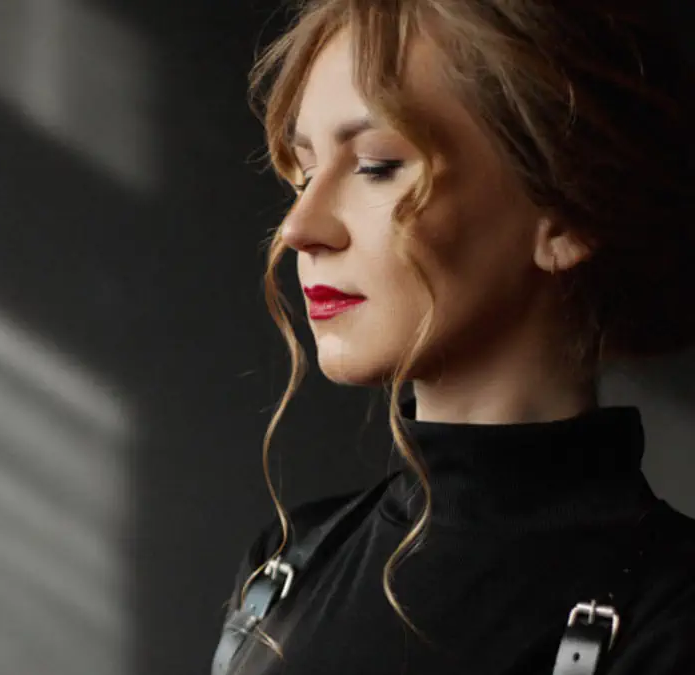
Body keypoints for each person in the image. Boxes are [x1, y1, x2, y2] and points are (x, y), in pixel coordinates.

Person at [213, 0, 695, 673]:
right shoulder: (284, 567)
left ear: (563, 214)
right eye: (305, 170)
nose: (299, 227)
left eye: (377, 165)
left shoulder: (671, 617)